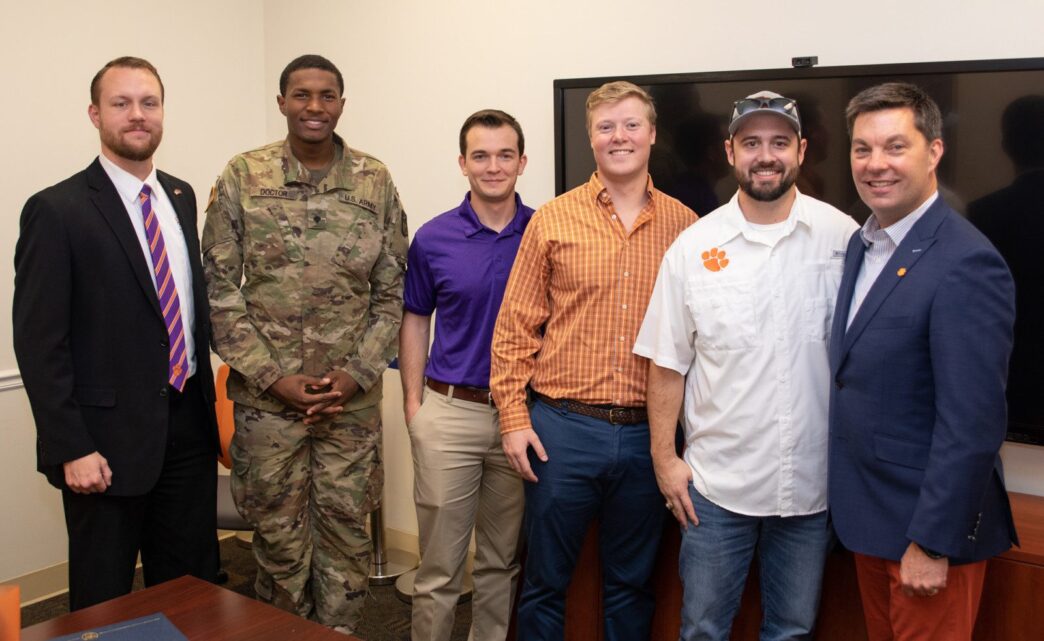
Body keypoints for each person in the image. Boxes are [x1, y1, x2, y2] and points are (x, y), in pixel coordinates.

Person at [634, 91, 858, 640]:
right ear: (730, 151)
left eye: (779, 142)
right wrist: (665, 461)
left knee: (792, 630)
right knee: (703, 629)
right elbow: (667, 365)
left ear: (801, 151)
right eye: (752, 143)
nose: (766, 155)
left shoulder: (843, 239)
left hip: (810, 490)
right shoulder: (693, 247)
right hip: (716, 489)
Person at [202, 54, 407, 634]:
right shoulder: (244, 176)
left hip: (350, 406)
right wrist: (273, 378)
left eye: (326, 95)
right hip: (269, 408)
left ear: (342, 103)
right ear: (282, 101)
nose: (314, 107)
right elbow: (219, 290)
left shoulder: (375, 180)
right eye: (301, 95)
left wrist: (356, 374)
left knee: (346, 545)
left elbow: (393, 291)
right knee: (278, 542)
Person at [490, 80, 697, 640]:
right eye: (606, 127)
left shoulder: (687, 227)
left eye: (631, 125)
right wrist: (513, 419)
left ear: (652, 134)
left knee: (632, 585)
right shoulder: (552, 220)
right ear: (590, 138)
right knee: (545, 581)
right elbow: (515, 329)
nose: (619, 137)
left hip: (645, 437)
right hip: (561, 431)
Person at [13, 56, 218, 611]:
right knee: (104, 602)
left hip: (187, 430)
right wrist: (71, 447)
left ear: (162, 114)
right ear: (95, 114)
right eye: (121, 103)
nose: (137, 115)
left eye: (148, 103)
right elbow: (39, 342)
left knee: (191, 591)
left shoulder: (180, 196)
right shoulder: (57, 210)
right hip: (103, 446)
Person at [828, 82, 1018, 641]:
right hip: (870, 518)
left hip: (926, 534)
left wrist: (934, 542)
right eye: (862, 149)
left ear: (934, 151)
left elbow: (973, 422)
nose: (875, 164)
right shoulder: (865, 244)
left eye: (895, 146)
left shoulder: (967, 261)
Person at [400, 109, 532, 641]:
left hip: (520, 420)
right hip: (450, 414)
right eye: (481, 155)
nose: (493, 167)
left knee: (500, 564)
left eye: (505, 155)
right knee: (438, 571)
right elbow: (415, 317)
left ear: (523, 162)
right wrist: (415, 406)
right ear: (463, 163)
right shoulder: (434, 238)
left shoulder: (545, 232)